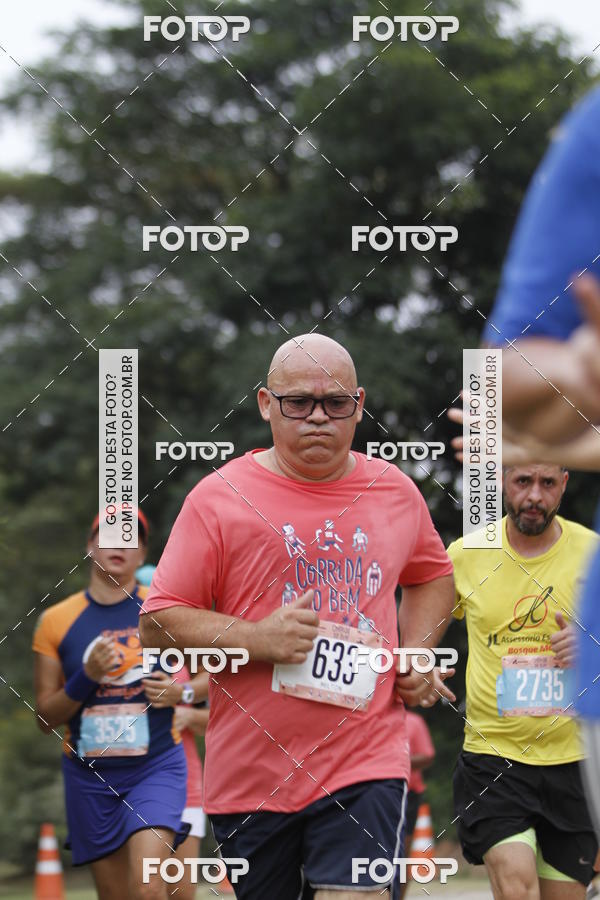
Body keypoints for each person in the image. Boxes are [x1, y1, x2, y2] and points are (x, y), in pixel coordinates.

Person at [139, 332, 456, 900]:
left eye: (335, 403)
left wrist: (418, 652)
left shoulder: (395, 491)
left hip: (366, 758)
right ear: (266, 404)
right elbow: (158, 620)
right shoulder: (219, 497)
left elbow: (432, 575)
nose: (318, 417)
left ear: (358, 406)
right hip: (252, 774)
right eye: (298, 403)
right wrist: (257, 638)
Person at [448, 464, 599, 899]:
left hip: (576, 759)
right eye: (523, 482)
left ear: (564, 485)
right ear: (502, 482)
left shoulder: (593, 553)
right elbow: (423, 616)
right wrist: (420, 662)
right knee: (517, 887)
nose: (534, 496)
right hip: (494, 757)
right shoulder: (467, 553)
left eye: (547, 484)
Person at [32, 511, 188, 900]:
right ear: (90, 547)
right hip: (90, 778)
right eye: (109, 536)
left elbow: (213, 678)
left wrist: (180, 694)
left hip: (156, 766)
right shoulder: (56, 620)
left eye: (131, 539)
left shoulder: (164, 610)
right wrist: (87, 676)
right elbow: (43, 718)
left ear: (143, 554)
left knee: (149, 887)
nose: (119, 544)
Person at [398, 711, 435, 900]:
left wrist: (395, 761)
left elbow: (427, 755)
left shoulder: (413, 721)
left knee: (402, 852)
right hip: (372, 790)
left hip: (408, 792)